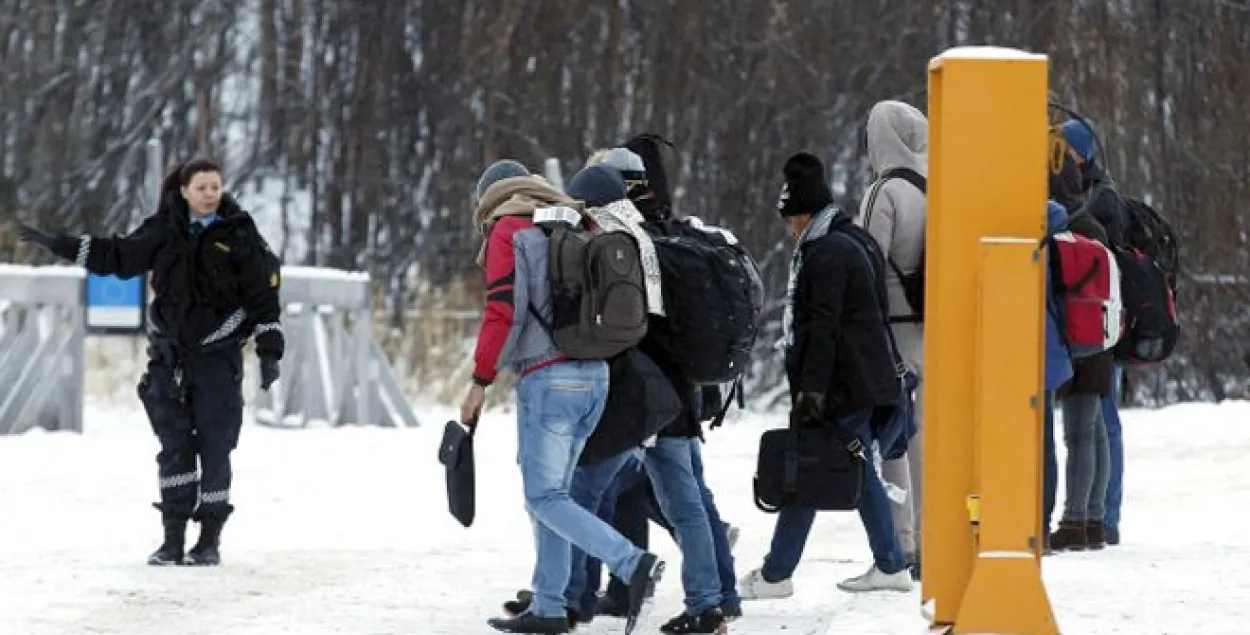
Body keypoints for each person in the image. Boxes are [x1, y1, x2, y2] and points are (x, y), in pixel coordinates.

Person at [18, 159, 284, 566]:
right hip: (169, 359)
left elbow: (264, 299)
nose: (211, 194)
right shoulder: (163, 230)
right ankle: (172, 539)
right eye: (202, 187)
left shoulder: (241, 234)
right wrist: (62, 244)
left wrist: (269, 352)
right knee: (174, 449)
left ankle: (209, 540)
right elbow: (118, 256)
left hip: (217, 359)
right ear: (184, 191)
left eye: (215, 186)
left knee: (215, 447)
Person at [462, 160, 664, 635]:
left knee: (545, 494)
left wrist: (480, 380)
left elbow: (502, 311)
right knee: (552, 496)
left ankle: (631, 562)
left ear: (490, 197)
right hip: (595, 376)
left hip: (550, 380)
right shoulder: (570, 219)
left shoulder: (509, 229)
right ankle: (550, 607)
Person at [738, 153, 911, 600]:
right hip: (864, 378)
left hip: (842, 383)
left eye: (790, 219)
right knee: (847, 466)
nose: (788, 229)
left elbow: (823, 327)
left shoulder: (826, 252)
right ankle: (889, 565)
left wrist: (812, 392)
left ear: (805, 213)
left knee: (809, 465)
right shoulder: (854, 239)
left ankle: (777, 576)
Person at [855, 100, 928, 578]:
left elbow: (868, 262)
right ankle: (934, 533)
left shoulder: (884, 192)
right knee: (927, 434)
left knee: (895, 435)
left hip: (892, 330)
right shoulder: (933, 187)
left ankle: (903, 541)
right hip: (932, 326)